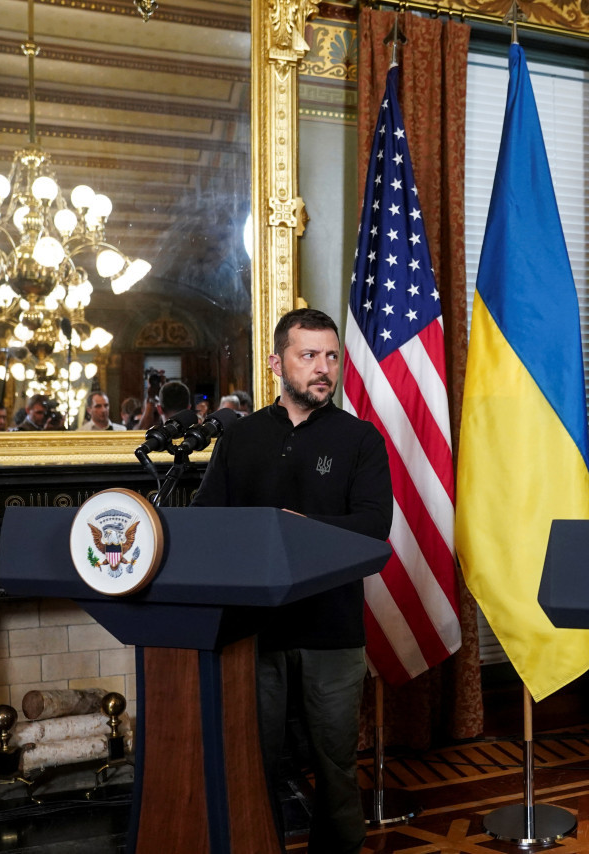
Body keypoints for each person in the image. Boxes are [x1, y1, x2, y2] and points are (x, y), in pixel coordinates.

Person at [191, 308, 391, 853]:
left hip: (332, 631)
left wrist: (300, 530)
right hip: (254, 632)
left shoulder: (361, 441)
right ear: (278, 363)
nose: (323, 368)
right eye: (309, 356)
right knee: (253, 764)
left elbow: (374, 531)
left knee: (335, 768)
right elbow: (208, 521)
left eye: (331, 357)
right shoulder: (242, 438)